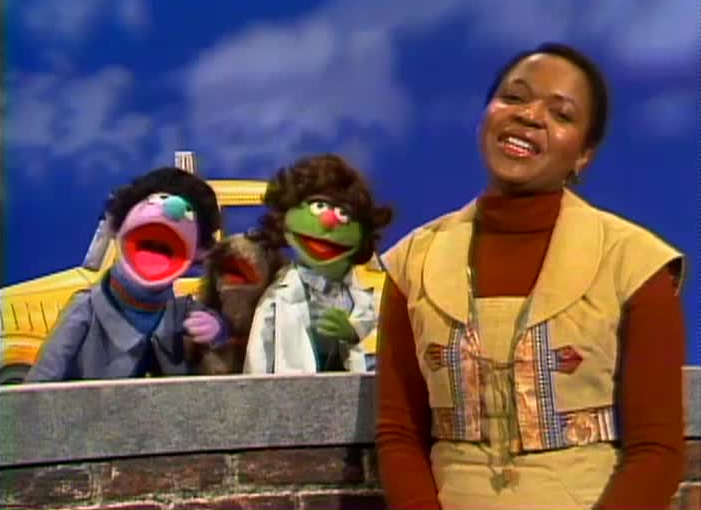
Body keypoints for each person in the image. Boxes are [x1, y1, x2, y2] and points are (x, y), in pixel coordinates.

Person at [375, 42, 686, 510]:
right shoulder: (414, 262)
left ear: (584, 155)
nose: (529, 116)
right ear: (485, 116)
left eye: (561, 114)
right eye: (514, 97)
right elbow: (399, 433)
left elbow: (657, 451)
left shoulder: (635, 263)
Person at [25, 167, 229, 382]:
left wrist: (218, 329)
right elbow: (42, 379)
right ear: (117, 226)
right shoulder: (86, 309)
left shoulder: (180, 311)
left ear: (198, 252)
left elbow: (225, 338)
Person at [243, 154, 392, 374]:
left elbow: (368, 310)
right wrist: (252, 389)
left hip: (345, 377)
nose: (329, 220)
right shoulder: (280, 294)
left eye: (343, 213)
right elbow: (259, 349)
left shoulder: (352, 286)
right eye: (319, 206)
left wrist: (353, 329)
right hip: (293, 382)